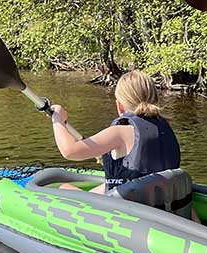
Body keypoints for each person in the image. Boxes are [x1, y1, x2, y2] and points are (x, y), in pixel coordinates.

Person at [50, 70, 180, 194]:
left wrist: (57, 118)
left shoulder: (120, 132)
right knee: (104, 186)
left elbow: (70, 151)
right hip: (161, 200)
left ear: (120, 106)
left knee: (64, 188)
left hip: (130, 207)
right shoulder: (165, 127)